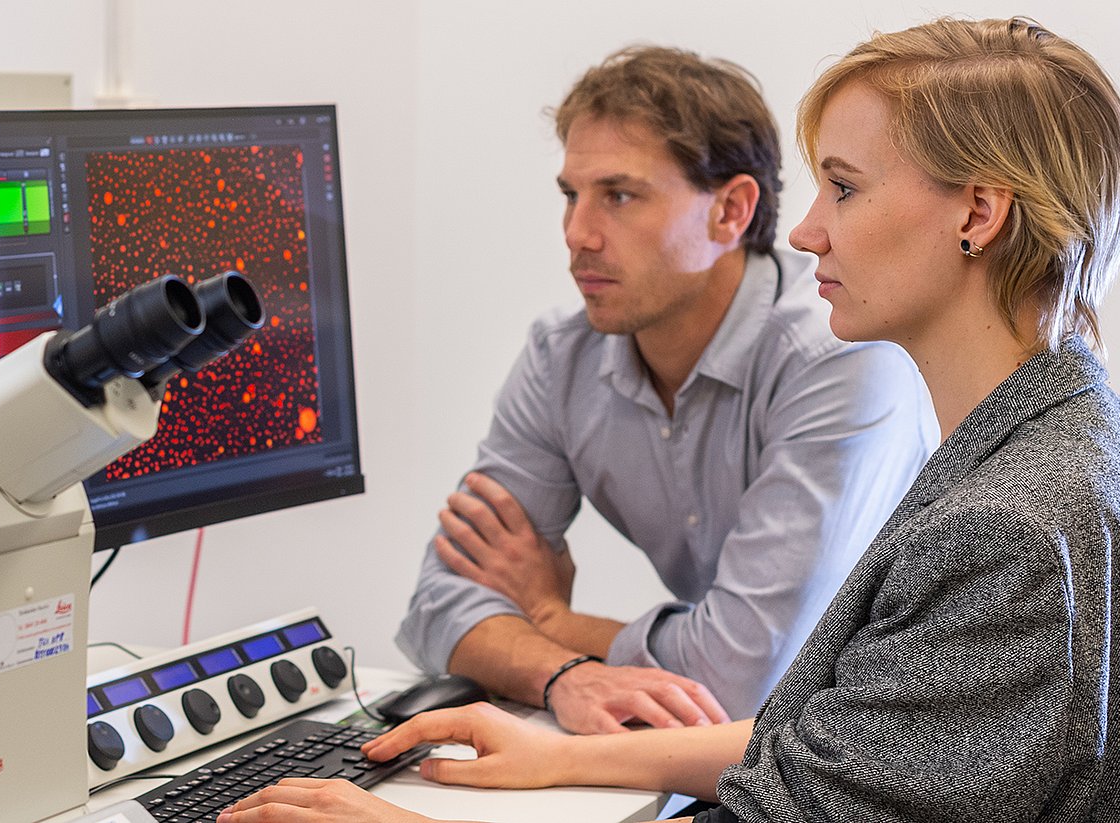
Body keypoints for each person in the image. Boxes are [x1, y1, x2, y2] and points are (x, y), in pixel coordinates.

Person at [224, 16, 1120, 823]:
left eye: (845, 188)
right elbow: (837, 744)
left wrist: (542, 635)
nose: (807, 230)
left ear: (977, 215)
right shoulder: (1084, 434)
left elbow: (786, 760)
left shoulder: (1007, 529)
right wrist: (559, 748)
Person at [395, 45, 935, 732]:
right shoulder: (561, 358)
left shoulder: (840, 359)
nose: (577, 234)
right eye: (571, 195)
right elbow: (437, 604)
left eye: (619, 196)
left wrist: (552, 619)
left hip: (887, 745)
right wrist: (563, 673)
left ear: (731, 211)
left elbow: (743, 678)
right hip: (740, 754)